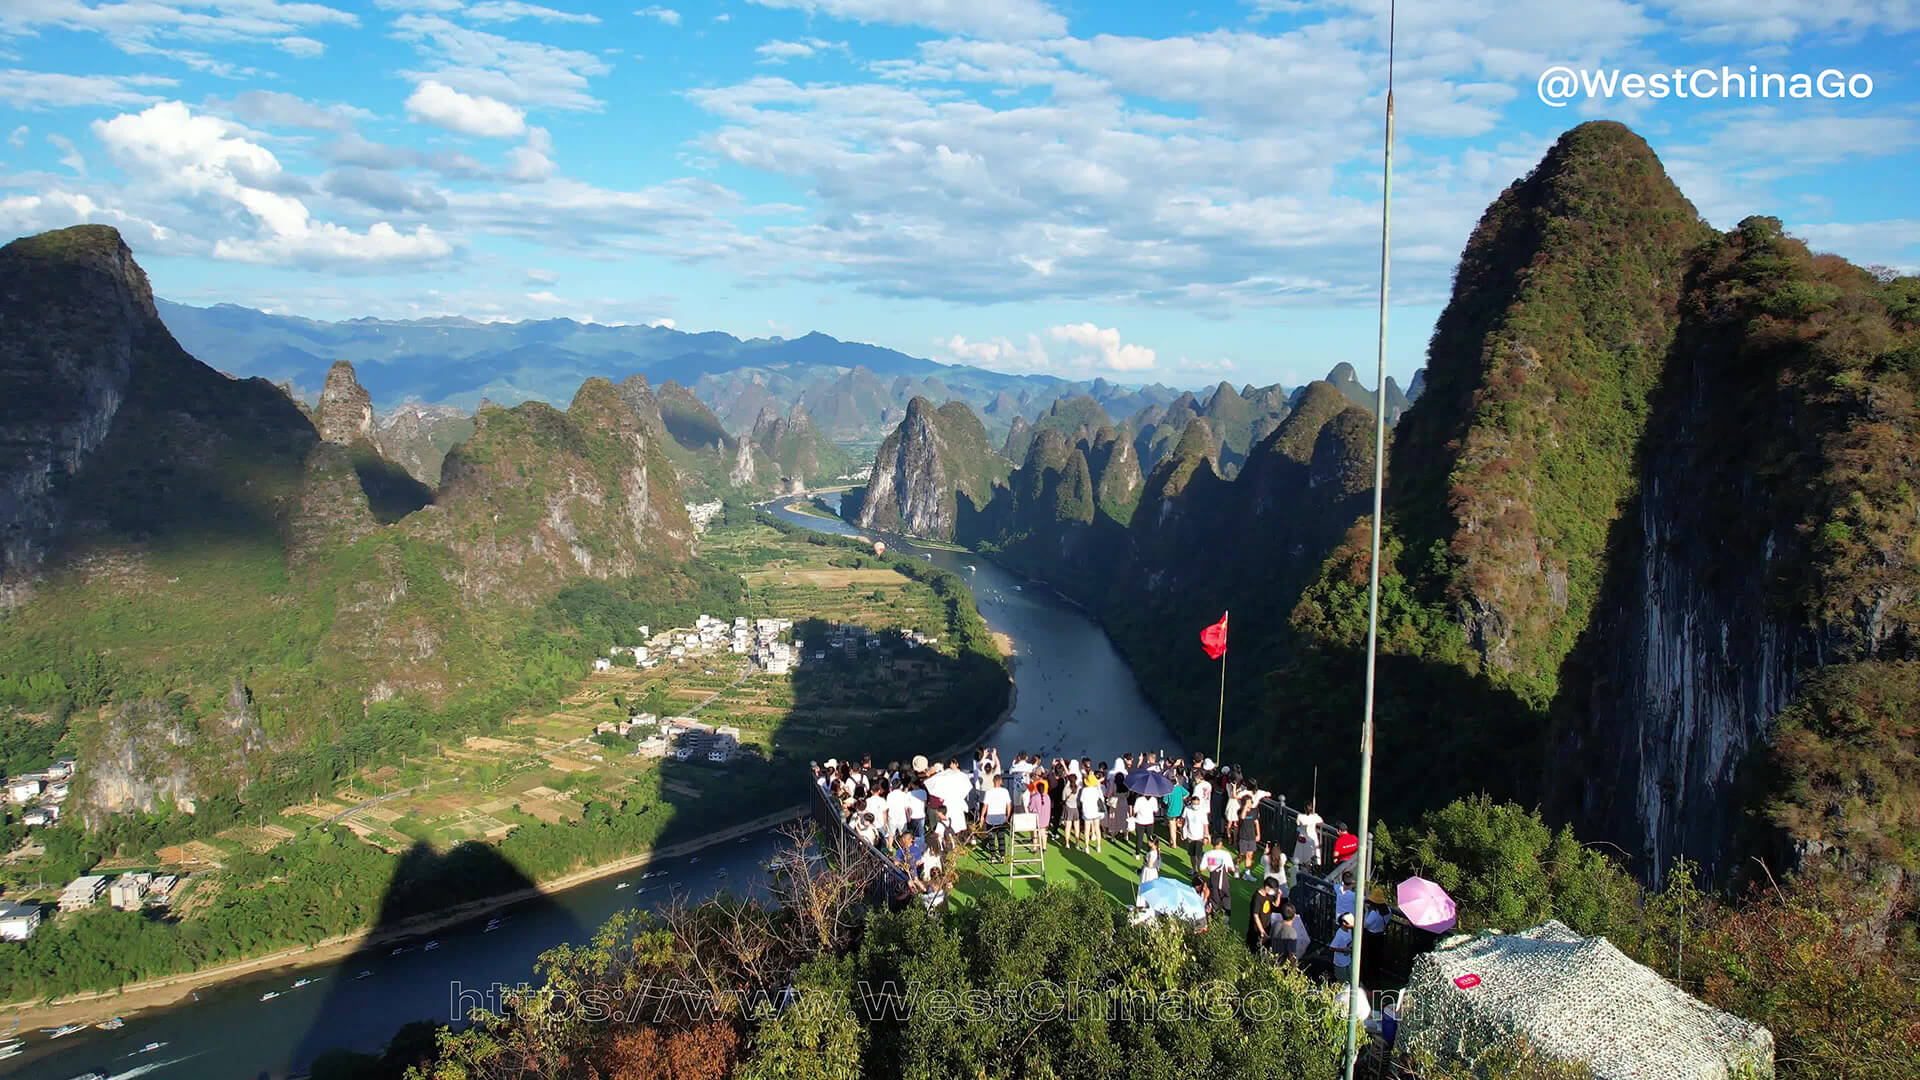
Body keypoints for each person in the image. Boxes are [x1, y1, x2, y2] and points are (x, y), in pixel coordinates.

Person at [981, 775, 1012, 856]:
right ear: (1001, 781)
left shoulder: (988, 792)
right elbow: (1008, 805)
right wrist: (1008, 816)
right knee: (1001, 837)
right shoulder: (1005, 791)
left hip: (990, 819)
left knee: (991, 838)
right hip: (1001, 818)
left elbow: (985, 806)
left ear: (993, 781)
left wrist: (982, 816)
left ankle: (993, 856)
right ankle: (1002, 855)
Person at [1246, 875, 1278, 953]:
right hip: (1257, 929)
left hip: (1266, 926)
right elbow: (1255, 915)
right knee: (1254, 948)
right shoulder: (1257, 897)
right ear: (1267, 887)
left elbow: (1276, 904)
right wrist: (1262, 931)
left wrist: (1279, 895)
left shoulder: (1269, 895)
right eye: (1272, 889)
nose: (1273, 892)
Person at [1294, 799, 1324, 873]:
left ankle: (1302, 870)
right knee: (1311, 857)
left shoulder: (1300, 816)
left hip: (1303, 838)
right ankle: (1310, 870)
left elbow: (1298, 824)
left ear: (1304, 808)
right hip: (1312, 839)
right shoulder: (1315, 816)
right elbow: (1321, 821)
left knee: (1301, 857)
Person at [1237, 794, 1263, 880]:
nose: (1250, 804)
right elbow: (1242, 817)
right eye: (1248, 802)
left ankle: (1247, 873)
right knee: (1241, 855)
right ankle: (1236, 868)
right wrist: (1245, 808)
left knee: (1250, 856)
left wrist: (1258, 834)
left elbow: (1256, 823)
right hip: (1243, 836)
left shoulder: (1254, 811)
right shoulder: (1240, 811)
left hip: (1251, 836)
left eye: (1251, 802)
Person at [1078, 774, 1104, 853]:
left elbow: (1081, 800)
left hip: (1087, 812)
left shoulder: (1084, 790)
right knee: (1097, 829)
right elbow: (1100, 799)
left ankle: (1086, 847)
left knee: (1086, 830)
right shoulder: (1096, 790)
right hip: (1096, 811)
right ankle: (1098, 846)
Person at [1181, 794, 1209, 868]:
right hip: (1190, 836)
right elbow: (1183, 821)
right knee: (1192, 854)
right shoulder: (1187, 809)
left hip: (1200, 837)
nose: (1196, 805)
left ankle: (1200, 871)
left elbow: (1205, 824)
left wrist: (1206, 836)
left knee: (1198, 855)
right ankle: (1194, 869)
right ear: (1191, 803)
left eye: (1197, 804)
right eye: (1194, 804)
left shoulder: (1202, 811)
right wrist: (1182, 833)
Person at [1029, 776, 1053, 851]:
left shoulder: (1034, 797)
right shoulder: (1047, 797)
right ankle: (1044, 847)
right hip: (1045, 818)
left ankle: (1035, 847)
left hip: (1036, 818)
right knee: (1043, 833)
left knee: (1035, 833)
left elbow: (1031, 808)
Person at [1165, 773, 1189, 847]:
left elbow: (1165, 801)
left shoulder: (1168, 790)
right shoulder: (1179, 788)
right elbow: (1187, 793)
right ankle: (1182, 836)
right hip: (1180, 809)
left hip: (1171, 811)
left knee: (1172, 827)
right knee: (1180, 824)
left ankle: (1174, 843)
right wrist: (1182, 798)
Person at [1330, 912, 1355, 980]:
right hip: (1340, 962)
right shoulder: (1339, 935)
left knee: (1350, 977)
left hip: (1347, 959)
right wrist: (1343, 950)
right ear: (1344, 923)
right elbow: (1331, 948)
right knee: (1342, 981)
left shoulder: (1349, 930)